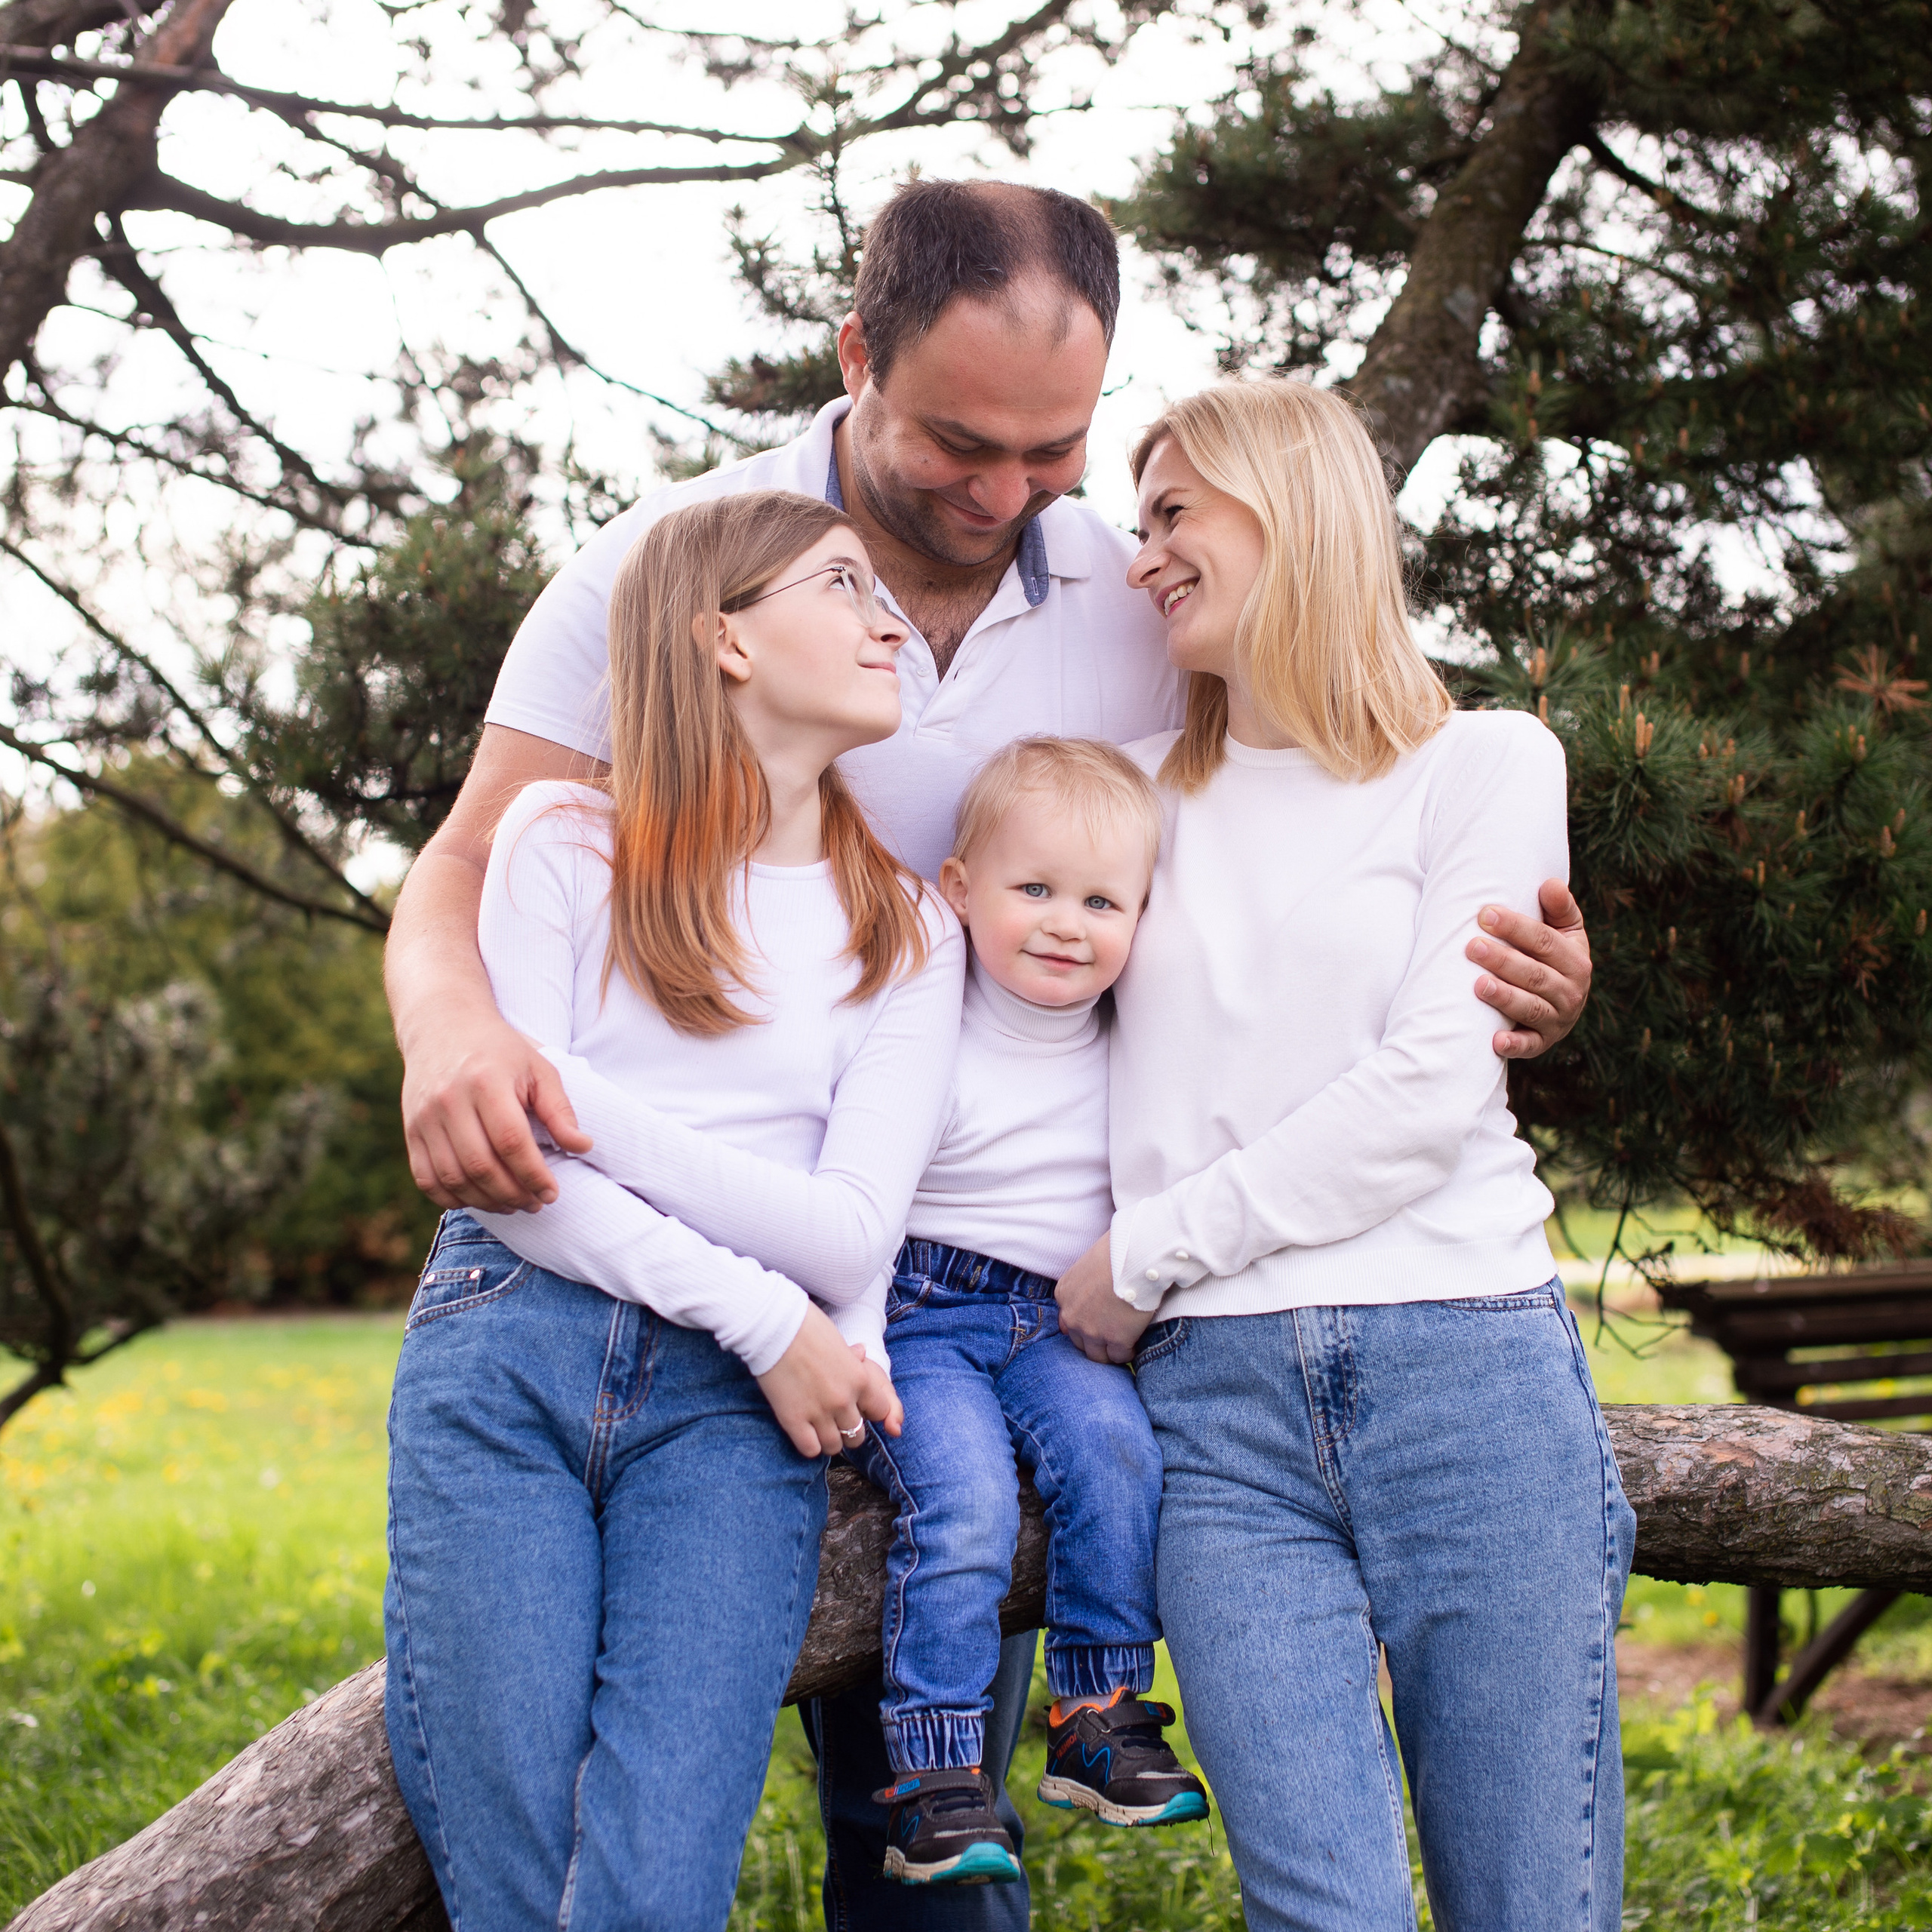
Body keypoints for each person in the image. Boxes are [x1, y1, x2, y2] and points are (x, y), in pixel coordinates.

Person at [382, 179, 1596, 1932]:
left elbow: (1322, 819)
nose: (1007, 493)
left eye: (1055, 449)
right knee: (525, 1803)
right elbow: (479, 854)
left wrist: (1514, 972)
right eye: (960, 440)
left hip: (945, 1276)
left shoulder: (1129, 589)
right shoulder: (675, 566)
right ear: (856, 353)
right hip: (622, 1237)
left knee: (928, 1851)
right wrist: (450, 1030)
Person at [1056, 379, 1636, 1932]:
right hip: (1214, 1413)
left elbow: (1429, 1090)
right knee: (1323, 1910)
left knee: (1529, 1899)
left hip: (1464, 1369)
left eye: (1172, 511)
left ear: (1290, 506)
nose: (1143, 554)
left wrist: (1144, 1250)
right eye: (1137, 520)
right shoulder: (1120, 797)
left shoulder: (1485, 762)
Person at [382, 491, 963, 1932]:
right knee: (512, 1878)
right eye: (842, 584)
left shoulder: (909, 929)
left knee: (658, 1884)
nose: (889, 617)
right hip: (515, 1343)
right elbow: (522, 1196)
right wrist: (763, 1309)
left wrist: (569, 1094)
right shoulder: (563, 843)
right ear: (724, 639)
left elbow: (845, 1233)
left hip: (725, 1414)